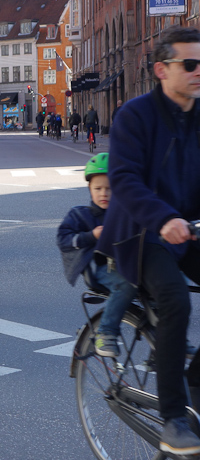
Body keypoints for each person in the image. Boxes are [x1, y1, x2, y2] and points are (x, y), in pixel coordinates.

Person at [96, 26, 200, 455]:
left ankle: (192, 381)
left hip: (187, 229)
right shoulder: (134, 115)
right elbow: (123, 179)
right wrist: (164, 219)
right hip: (139, 234)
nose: (198, 72)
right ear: (161, 69)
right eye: (190, 64)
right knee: (176, 300)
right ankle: (174, 418)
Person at [57, 153, 137, 357]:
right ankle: (105, 332)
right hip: (96, 268)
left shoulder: (124, 213)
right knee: (125, 285)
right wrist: (91, 236)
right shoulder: (80, 214)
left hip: (123, 264)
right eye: (98, 188)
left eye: (110, 189)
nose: (104, 193)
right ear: (89, 189)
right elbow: (63, 239)